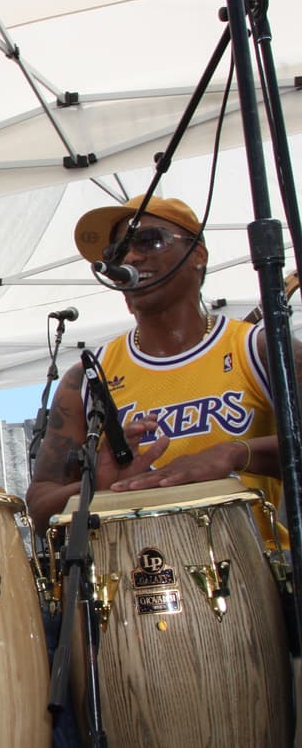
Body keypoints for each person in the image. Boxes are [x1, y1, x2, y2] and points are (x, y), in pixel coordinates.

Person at [26, 194, 293, 539]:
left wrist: (234, 454)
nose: (132, 257)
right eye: (117, 253)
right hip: (127, 584)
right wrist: (97, 485)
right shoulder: (87, 379)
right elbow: (39, 508)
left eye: (150, 240)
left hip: (252, 583)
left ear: (198, 254)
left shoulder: (259, 350)